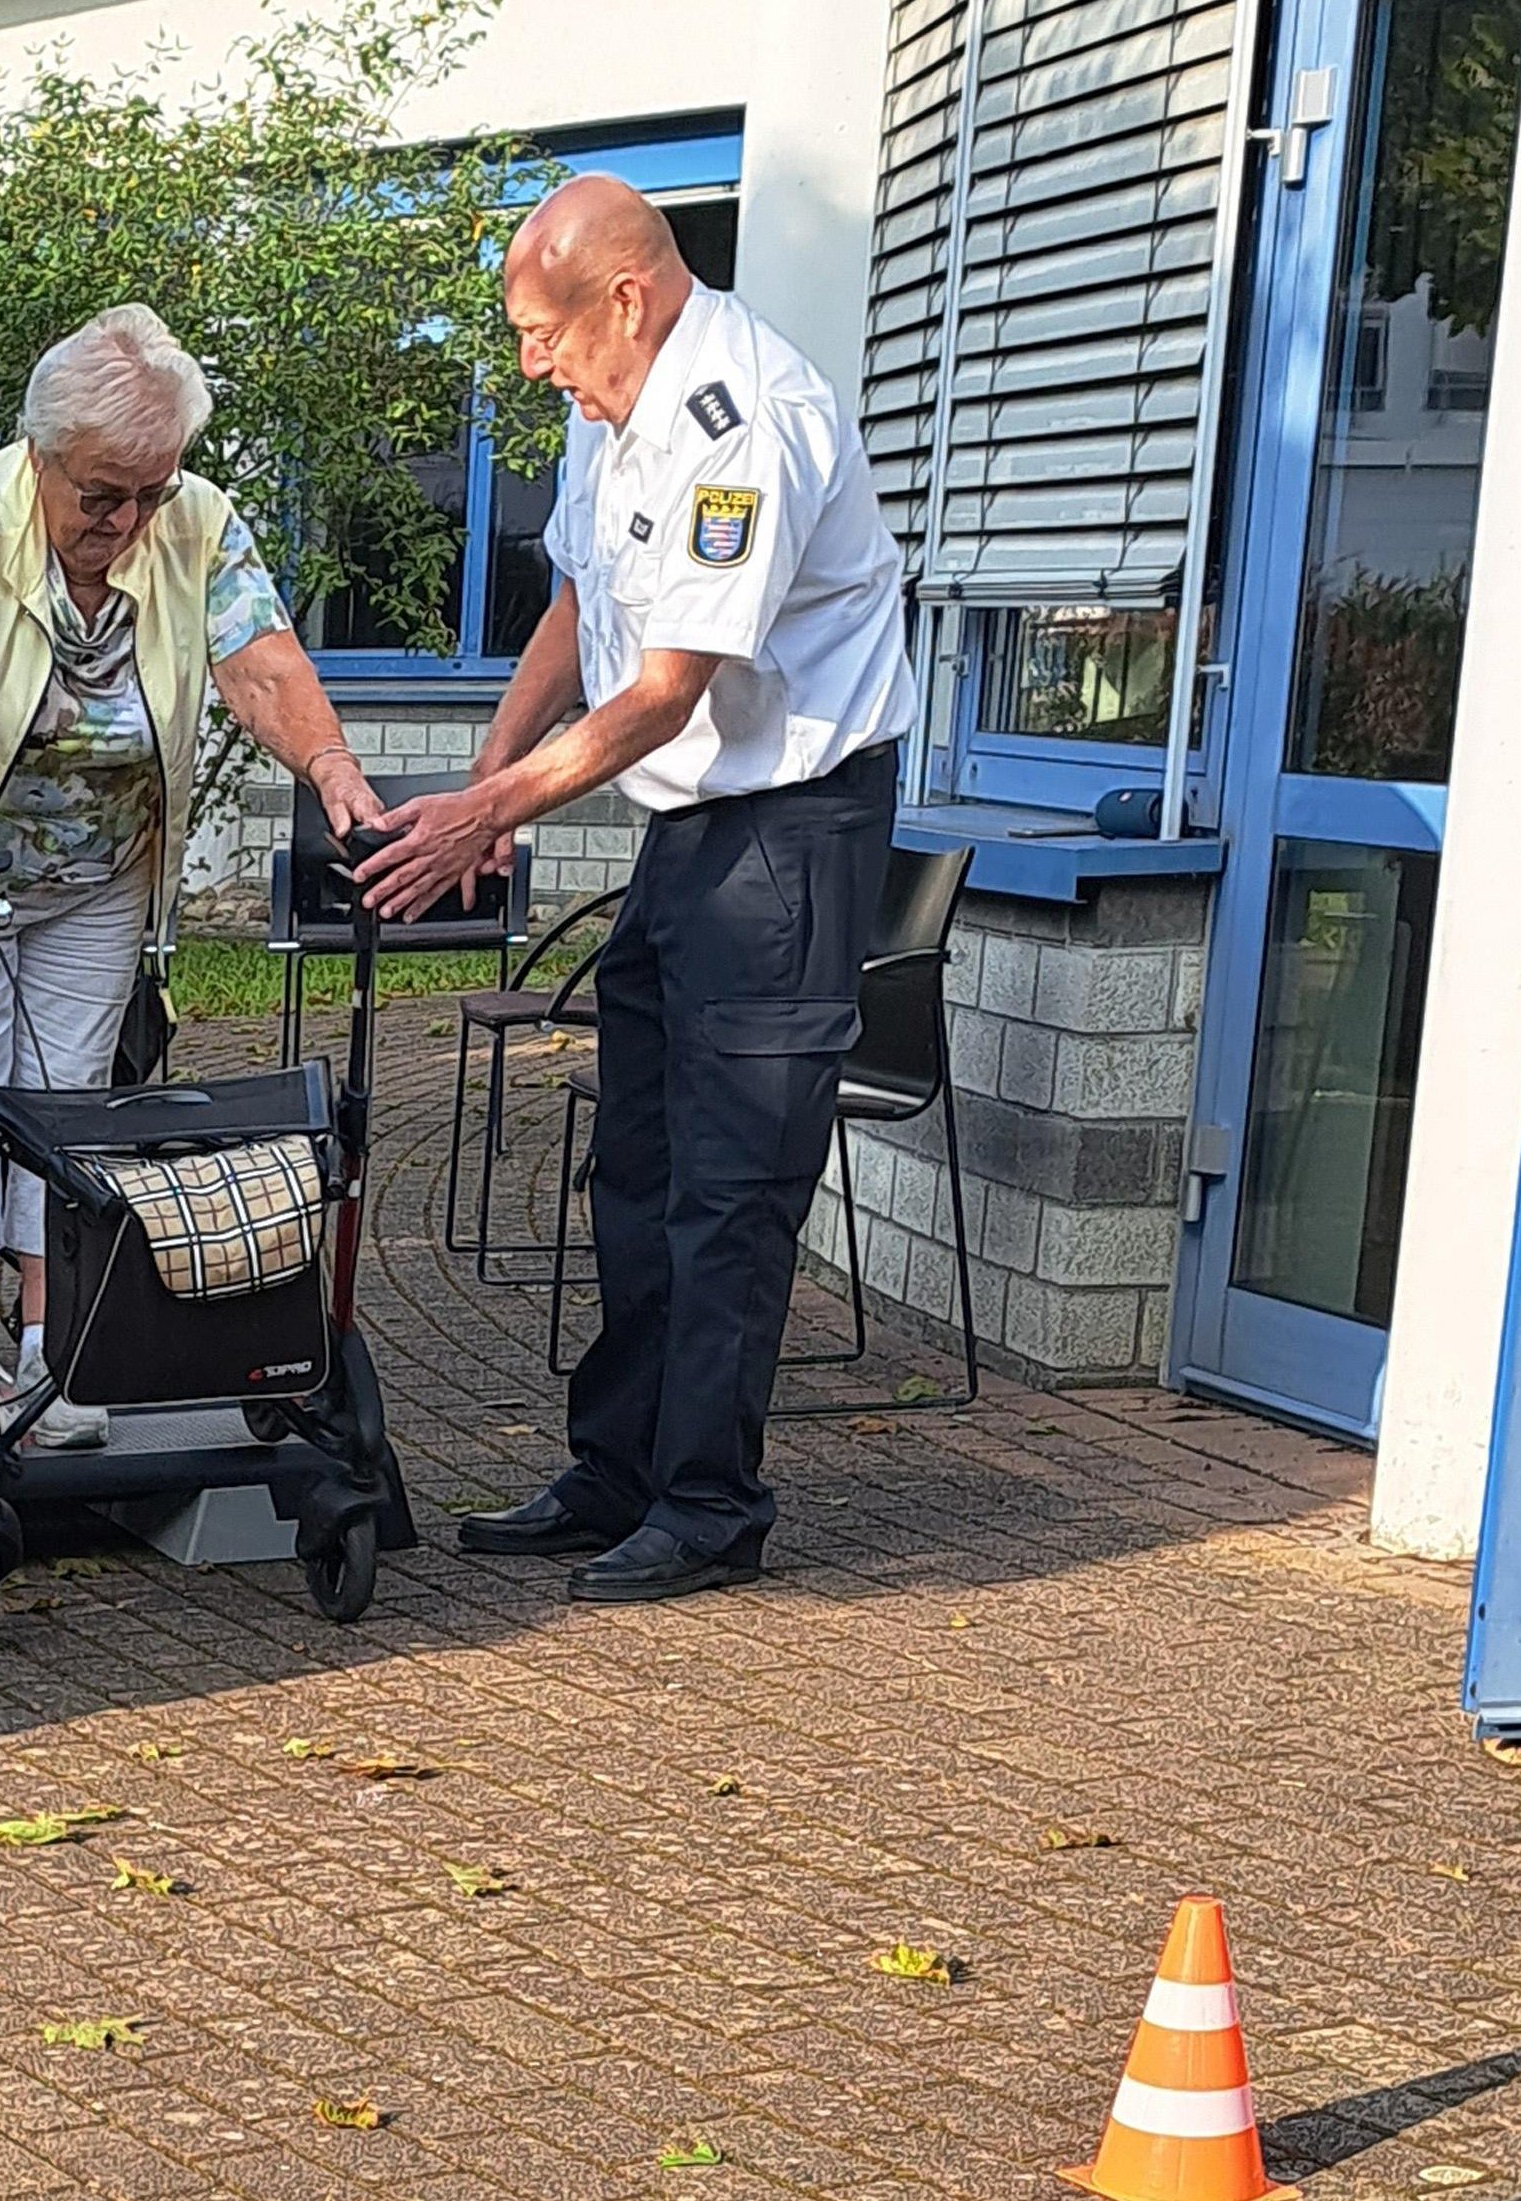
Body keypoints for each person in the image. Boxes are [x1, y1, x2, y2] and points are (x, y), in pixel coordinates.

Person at [355, 176, 920, 1603]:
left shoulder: (749, 426)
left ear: (627, 297)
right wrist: (492, 773)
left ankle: (709, 1502)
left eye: (541, 333)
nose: (529, 364)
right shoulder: (608, 397)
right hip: (689, 839)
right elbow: (573, 603)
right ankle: (616, 1470)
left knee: (731, 1187)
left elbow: (668, 691)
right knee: (634, 1171)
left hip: (789, 834)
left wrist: (489, 805)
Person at [0, 304, 386, 1451]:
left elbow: (260, 659)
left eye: (149, 492)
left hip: (96, 869)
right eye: (101, 494)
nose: (125, 521)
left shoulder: (195, 523)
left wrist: (331, 766)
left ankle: (55, 1360)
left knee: (69, 1111)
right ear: (39, 455)